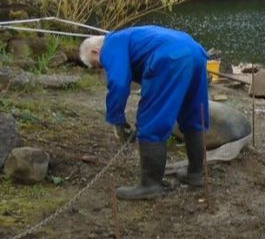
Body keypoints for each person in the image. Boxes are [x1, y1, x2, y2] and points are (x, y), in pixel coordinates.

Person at [79, 26, 209, 200]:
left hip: (170, 58)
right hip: (196, 51)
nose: (103, 68)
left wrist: (116, 119)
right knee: (193, 115)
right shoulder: (132, 36)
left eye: (98, 65)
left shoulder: (111, 44)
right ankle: (196, 174)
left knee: (152, 119)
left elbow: (118, 82)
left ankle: (150, 185)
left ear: (96, 51)